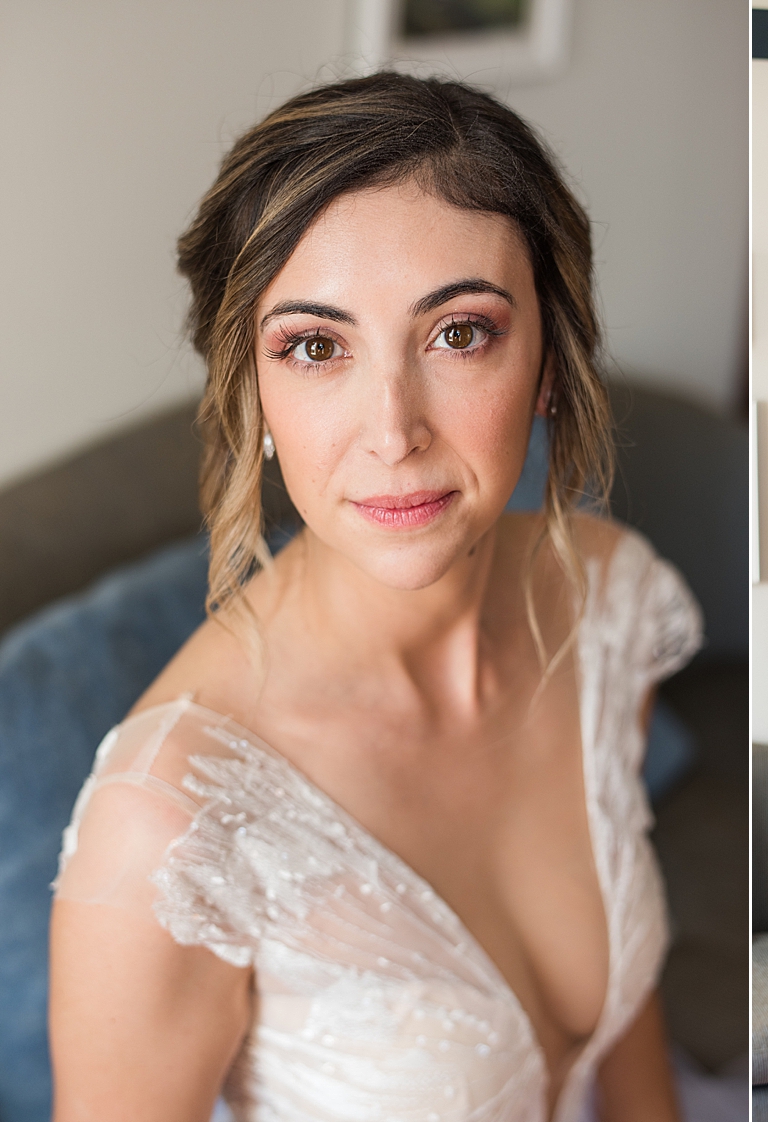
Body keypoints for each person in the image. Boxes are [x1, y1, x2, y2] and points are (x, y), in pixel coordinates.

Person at [49, 73, 701, 1122]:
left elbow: (628, 1043)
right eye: (316, 347)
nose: (393, 431)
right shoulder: (168, 828)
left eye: (459, 334)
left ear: (548, 358)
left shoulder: (603, 601)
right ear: (250, 390)